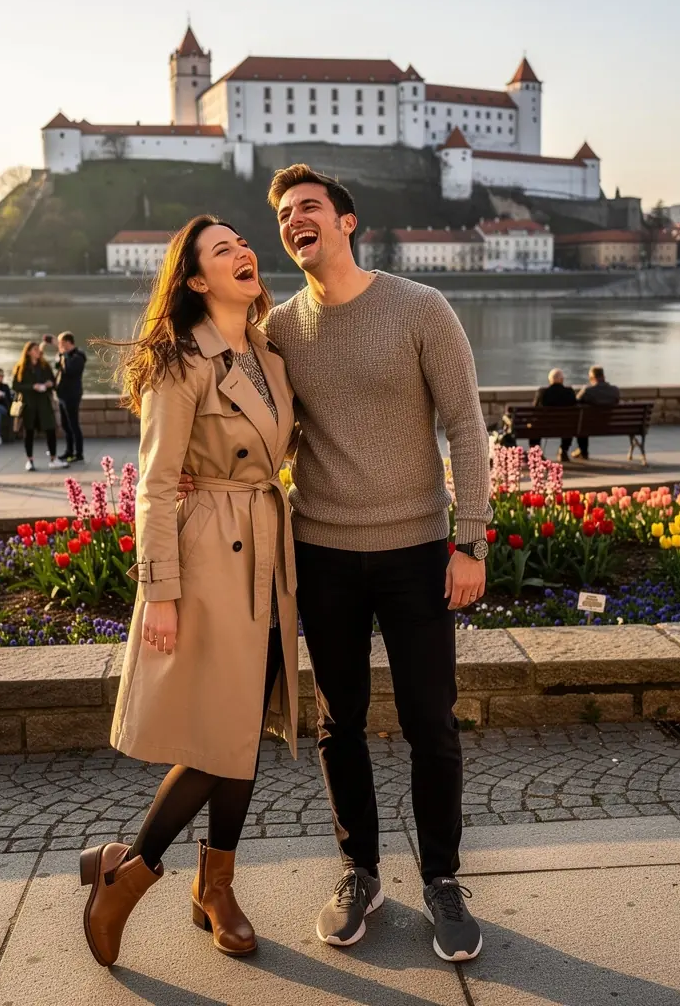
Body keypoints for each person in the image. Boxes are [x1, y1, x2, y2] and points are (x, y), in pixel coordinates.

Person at [183, 166, 492, 962]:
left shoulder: (421, 308)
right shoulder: (278, 329)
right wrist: (193, 464)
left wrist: (472, 540)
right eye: (284, 214)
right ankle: (360, 872)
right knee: (339, 724)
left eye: (309, 208)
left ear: (348, 223)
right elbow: (230, 408)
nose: (293, 221)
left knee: (432, 724)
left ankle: (444, 882)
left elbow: (465, 426)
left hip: (419, 550)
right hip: (321, 551)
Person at [81, 216, 299, 968]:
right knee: (218, 733)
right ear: (197, 280)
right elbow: (152, 486)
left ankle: (216, 885)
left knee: (242, 732)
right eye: (220, 250)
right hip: (209, 556)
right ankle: (129, 874)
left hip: (267, 550)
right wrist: (162, 595)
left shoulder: (270, 354)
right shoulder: (181, 362)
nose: (243, 252)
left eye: (243, 242)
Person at [12, 342, 67, 471]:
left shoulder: (44, 365)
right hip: (29, 404)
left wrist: (49, 384)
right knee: (29, 432)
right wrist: (32, 387)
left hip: (44, 403)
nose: (38, 352)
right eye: (35, 349)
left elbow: (53, 382)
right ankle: (29, 460)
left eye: (38, 349)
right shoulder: (21, 368)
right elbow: (15, 386)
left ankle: (54, 459)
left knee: (50, 430)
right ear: (29, 352)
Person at [572, 365, 620, 461]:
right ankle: (582, 451)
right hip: (609, 424)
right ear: (604, 377)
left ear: (592, 378)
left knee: (581, 421)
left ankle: (583, 451)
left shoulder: (588, 391)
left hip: (590, 425)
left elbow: (575, 402)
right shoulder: (615, 390)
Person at [531, 368, 577, 461]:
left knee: (534, 426)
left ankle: (537, 453)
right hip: (565, 426)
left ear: (550, 380)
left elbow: (535, 410)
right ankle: (563, 451)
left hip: (544, 426)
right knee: (569, 423)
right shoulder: (569, 392)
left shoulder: (542, 392)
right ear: (562, 380)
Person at [54, 331, 87, 463]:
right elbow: (58, 367)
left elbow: (70, 370)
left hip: (72, 395)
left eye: (61, 343)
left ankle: (78, 453)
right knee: (65, 425)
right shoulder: (64, 355)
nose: (60, 346)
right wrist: (60, 355)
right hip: (62, 395)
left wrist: (64, 355)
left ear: (68, 342)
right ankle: (69, 451)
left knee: (73, 425)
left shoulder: (78, 356)